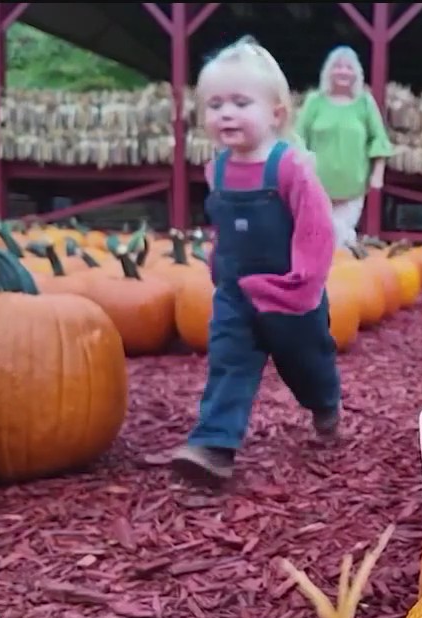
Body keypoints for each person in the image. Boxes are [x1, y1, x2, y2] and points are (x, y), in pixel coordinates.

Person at [168, 37, 343, 483]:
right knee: (228, 362)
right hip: (236, 294)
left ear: (276, 114)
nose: (225, 113)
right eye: (214, 104)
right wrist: (217, 261)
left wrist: (304, 282)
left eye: (240, 102)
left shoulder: (289, 168)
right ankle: (214, 446)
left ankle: (324, 403)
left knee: (306, 365)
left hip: (290, 294)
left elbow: (317, 228)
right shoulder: (218, 169)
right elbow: (224, 223)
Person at [295, 45, 394, 251]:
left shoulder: (365, 103)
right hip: (316, 187)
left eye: (349, 68)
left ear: (357, 74)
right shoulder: (315, 102)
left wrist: (378, 173)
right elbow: (297, 138)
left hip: (352, 187)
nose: (343, 72)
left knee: (339, 237)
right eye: (337, 66)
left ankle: (341, 276)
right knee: (317, 236)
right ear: (328, 71)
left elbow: (378, 139)